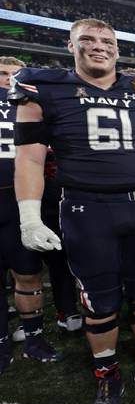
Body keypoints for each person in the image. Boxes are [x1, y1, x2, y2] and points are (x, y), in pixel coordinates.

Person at [11, 18, 135, 404]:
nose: (98, 46)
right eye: (86, 40)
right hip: (87, 208)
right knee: (99, 300)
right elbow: (30, 158)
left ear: (118, 49)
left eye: (107, 41)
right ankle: (107, 374)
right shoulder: (45, 89)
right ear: (71, 47)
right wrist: (29, 217)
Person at [1, 56, 63, 372]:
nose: (10, 78)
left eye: (15, 74)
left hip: (19, 198)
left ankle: (35, 340)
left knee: (28, 273)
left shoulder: (37, 104)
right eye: (3, 73)